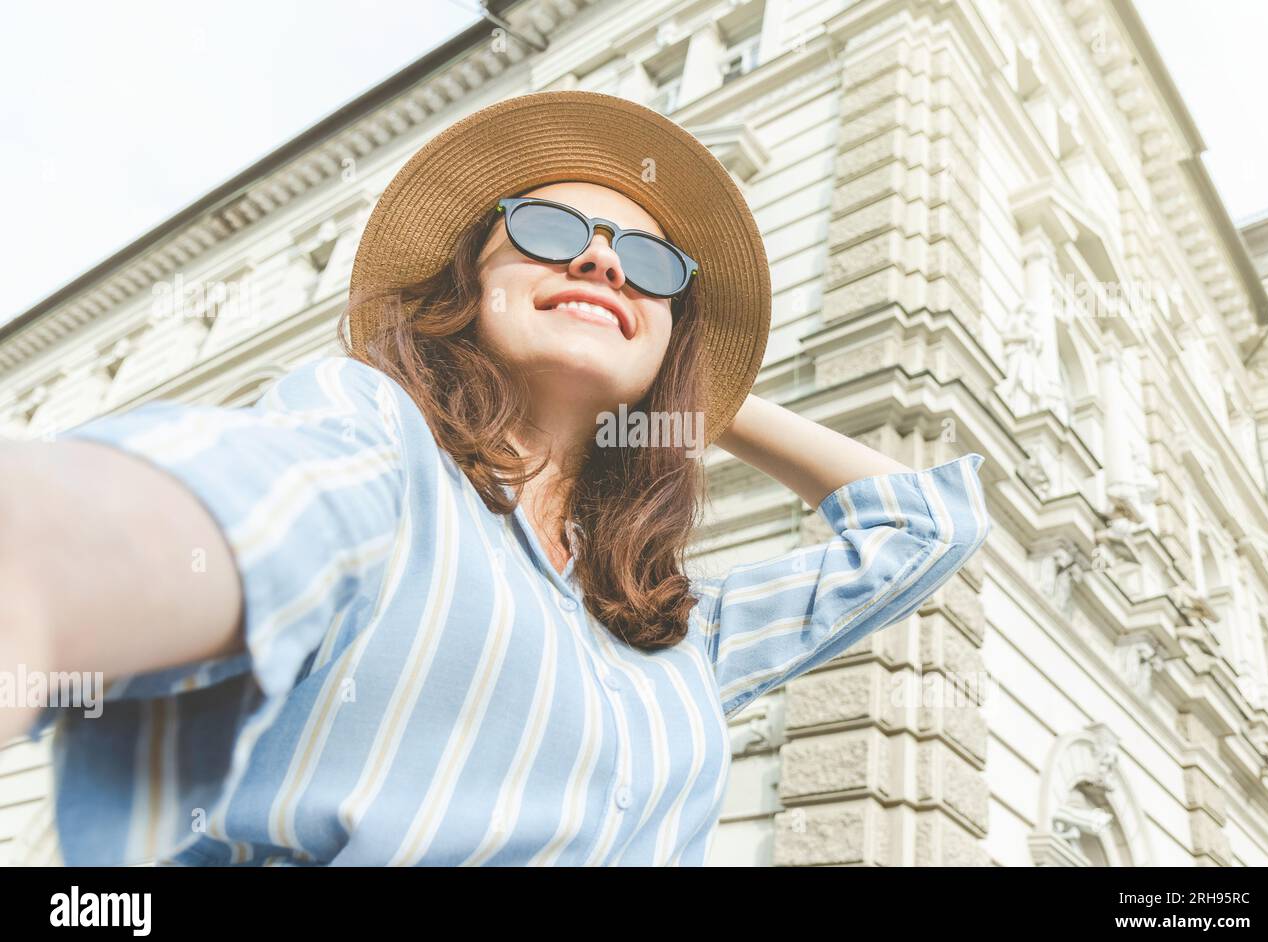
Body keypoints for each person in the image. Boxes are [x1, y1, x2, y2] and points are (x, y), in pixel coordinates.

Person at [0, 90, 990, 866]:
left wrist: (692, 382)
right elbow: (205, 511)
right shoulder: (378, 452)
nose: (605, 262)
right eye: (554, 234)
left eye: (648, 264)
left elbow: (917, 528)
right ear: (472, 283)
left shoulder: (671, 632)